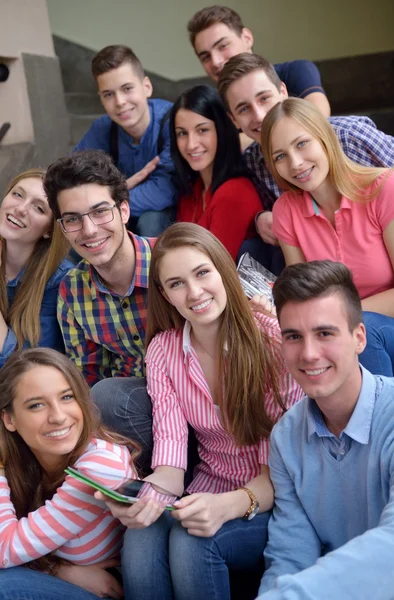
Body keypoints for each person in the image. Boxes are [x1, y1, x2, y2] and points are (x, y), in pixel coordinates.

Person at [97, 222, 303, 600]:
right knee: (141, 535)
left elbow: (279, 472)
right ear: (165, 294)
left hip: (271, 498)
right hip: (206, 487)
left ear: (222, 270)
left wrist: (227, 506)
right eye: (176, 283)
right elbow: (172, 462)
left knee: (191, 541)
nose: (194, 292)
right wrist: (144, 500)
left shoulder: (273, 341)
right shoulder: (163, 350)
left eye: (202, 273)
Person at [257, 260, 394, 600]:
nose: (308, 353)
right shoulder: (285, 437)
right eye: (293, 336)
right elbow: (290, 556)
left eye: (325, 333)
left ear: (359, 338)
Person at [217, 53, 394, 273]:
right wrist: (259, 219)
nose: (260, 115)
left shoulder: (350, 136)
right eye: (244, 109)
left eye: (264, 98)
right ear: (234, 120)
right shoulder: (254, 162)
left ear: (283, 92)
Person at [261, 97, 394, 376]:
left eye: (302, 144)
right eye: (280, 156)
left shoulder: (386, 188)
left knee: (365, 331)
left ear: (324, 138)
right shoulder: (286, 211)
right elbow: (303, 294)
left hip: (387, 329)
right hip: (332, 334)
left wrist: (334, 316)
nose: (296, 163)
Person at [44, 150, 154, 473]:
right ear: (63, 229)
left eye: (100, 212)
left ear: (123, 210)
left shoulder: (172, 261)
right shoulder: (73, 292)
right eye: (73, 219)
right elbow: (89, 375)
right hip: (134, 419)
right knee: (100, 397)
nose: (89, 230)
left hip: (198, 407)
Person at [0, 347, 140, 600]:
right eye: (36, 405)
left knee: (4, 586)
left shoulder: (100, 465)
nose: (58, 416)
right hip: (66, 584)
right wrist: (62, 570)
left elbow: (4, 549)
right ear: (9, 419)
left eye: (67, 397)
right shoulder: (21, 466)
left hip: (113, 592)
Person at [74, 45, 178, 237]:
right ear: (101, 100)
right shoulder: (103, 128)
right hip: (117, 208)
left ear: (146, 87)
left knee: (151, 221)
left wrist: (111, 196)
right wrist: (116, 193)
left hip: (164, 211)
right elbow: (74, 176)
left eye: (127, 88)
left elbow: (164, 189)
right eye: (108, 94)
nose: (120, 101)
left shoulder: (172, 121)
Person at [170, 84, 263, 260]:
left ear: (222, 130)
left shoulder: (234, 192)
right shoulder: (191, 190)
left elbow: (214, 267)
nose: (191, 144)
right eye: (182, 133)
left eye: (202, 130)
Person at [187, 5, 330, 117]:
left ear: (247, 38)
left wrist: (239, 142)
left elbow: (319, 118)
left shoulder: (295, 71)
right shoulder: (210, 105)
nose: (216, 61)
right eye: (205, 57)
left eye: (223, 46)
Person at [0, 168, 71, 367]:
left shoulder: (59, 280)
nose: (20, 209)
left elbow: (26, 366)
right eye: (17, 194)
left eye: (38, 208)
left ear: (49, 229)